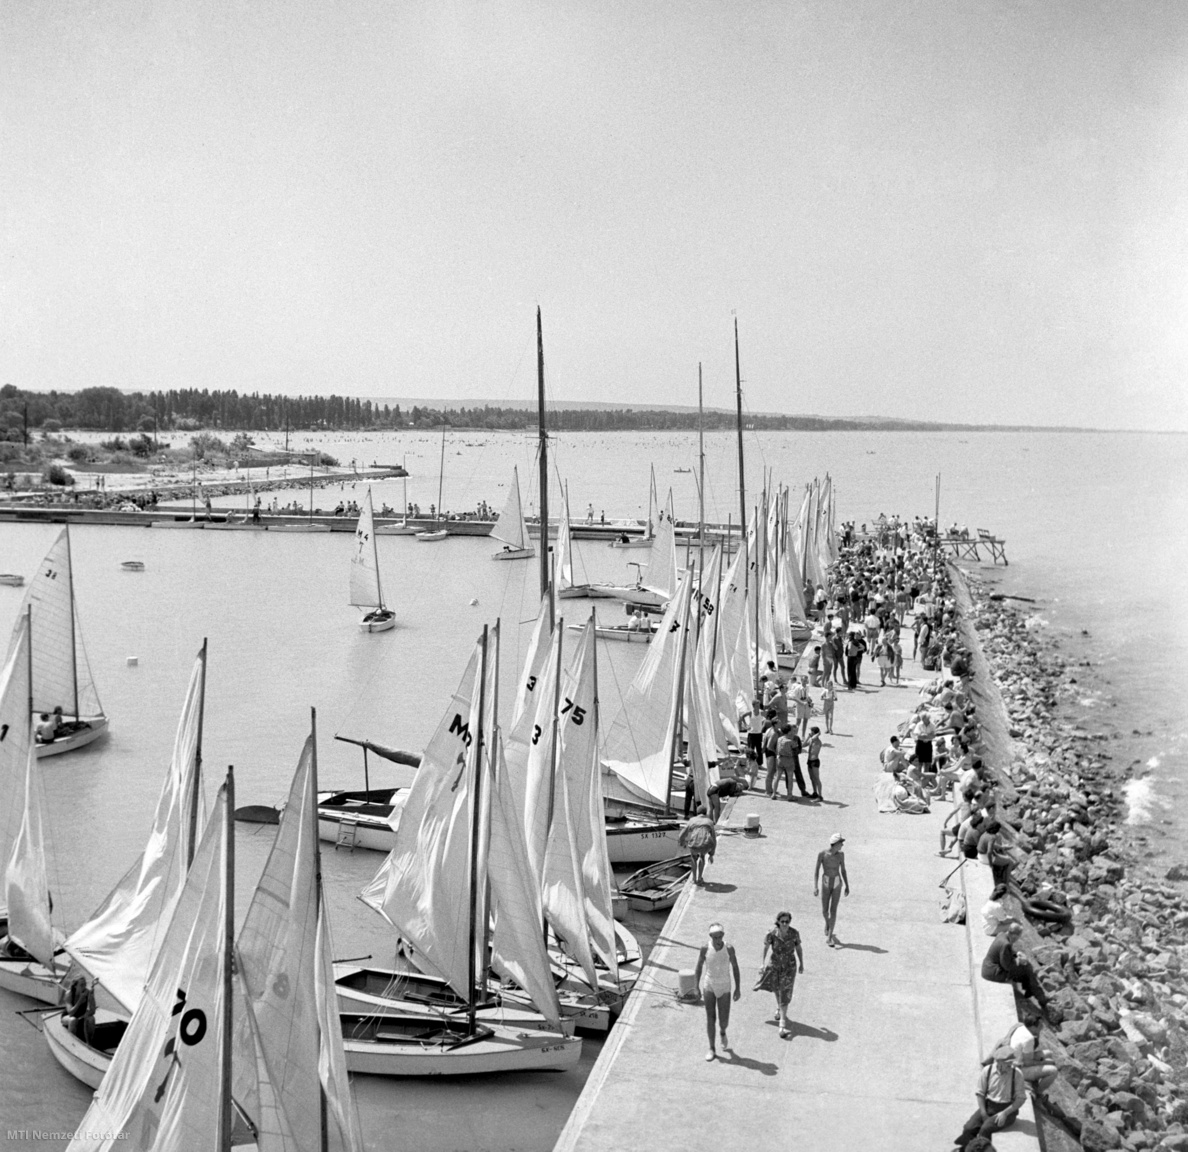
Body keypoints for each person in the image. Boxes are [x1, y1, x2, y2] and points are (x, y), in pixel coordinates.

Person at [954, 1044, 1027, 1148]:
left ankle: (983, 1149)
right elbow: (980, 1093)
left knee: (985, 1129)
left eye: (1011, 1063)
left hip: (1007, 1110)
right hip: (989, 1106)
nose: (1011, 1066)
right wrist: (983, 1113)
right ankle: (966, 1148)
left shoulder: (1017, 1074)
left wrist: (1005, 1113)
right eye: (1008, 1064)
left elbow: (1021, 1099)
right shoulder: (987, 1071)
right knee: (969, 1128)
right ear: (999, 1062)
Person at [982, 922, 1052, 1020]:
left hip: (989, 968)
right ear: (1014, 936)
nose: (1018, 939)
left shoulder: (1002, 935)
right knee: (1027, 968)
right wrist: (1020, 961)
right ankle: (1040, 998)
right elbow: (1007, 966)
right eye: (1018, 936)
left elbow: (1008, 954)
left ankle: (1033, 992)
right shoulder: (1005, 944)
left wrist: (1017, 954)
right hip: (994, 973)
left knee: (1026, 969)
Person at [692, 922, 741, 1061]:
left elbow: (736, 967)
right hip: (710, 985)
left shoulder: (729, 948)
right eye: (715, 938)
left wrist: (738, 988)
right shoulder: (705, 948)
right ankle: (711, 1048)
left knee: (723, 1020)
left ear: (723, 936)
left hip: (725, 986)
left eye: (720, 937)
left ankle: (723, 1032)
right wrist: (696, 986)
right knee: (710, 1018)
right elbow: (699, 967)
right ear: (710, 937)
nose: (718, 940)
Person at [756, 912, 804, 1039]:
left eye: (787, 921)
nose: (785, 924)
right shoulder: (771, 933)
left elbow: (799, 949)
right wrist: (762, 963)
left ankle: (782, 1025)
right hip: (775, 965)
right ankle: (779, 1007)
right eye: (782, 921)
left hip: (789, 966)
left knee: (785, 992)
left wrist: (801, 964)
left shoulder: (794, 933)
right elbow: (765, 948)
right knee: (776, 988)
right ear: (778, 921)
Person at [814, 833, 850, 946]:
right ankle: (827, 923)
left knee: (833, 910)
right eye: (841, 843)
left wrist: (847, 885)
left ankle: (830, 937)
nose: (842, 845)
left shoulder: (841, 855)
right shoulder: (822, 854)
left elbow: (843, 870)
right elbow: (817, 870)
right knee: (825, 911)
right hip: (826, 881)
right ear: (835, 844)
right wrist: (815, 886)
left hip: (837, 882)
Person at [678, 806, 717, 885]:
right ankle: (699, 878)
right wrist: (711, 854)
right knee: (702, 856)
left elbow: (683, 833)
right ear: (705, 813)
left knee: (693, 857)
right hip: (706, 844)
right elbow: (714, 838)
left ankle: (694, 879)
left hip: (694, 844)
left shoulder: (692, 820)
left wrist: (681, 841)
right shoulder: (709, 821)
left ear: (697, 813)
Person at [775, 724, 807, 800]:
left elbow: (799, 749)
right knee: (788, 776)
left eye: (795, 731)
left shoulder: (796, 738)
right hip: (788, 759)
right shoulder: (786, 738)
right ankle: (789, 793)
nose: (794, 732)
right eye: (793, 730)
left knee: (798, 773)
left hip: (793, 758)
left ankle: (802, 790)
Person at [805, 727, 823, 801]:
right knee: (812, 778)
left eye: (811, 732)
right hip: (809, 761)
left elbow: (814, 739)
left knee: (817, 778)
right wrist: (808, 737)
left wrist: (817, 734)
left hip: (815, 761)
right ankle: (815, 792)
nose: (810, 733)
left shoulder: (818, 742)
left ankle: (820, 796)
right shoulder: (811, 740)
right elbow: (803, 745)